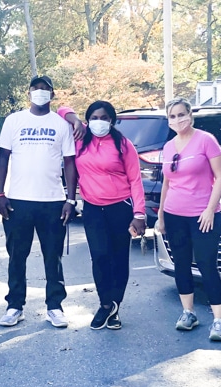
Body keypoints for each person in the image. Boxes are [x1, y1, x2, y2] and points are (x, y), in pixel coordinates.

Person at [0, 75, 80, 328]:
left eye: (46, 89)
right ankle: (14, 305)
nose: (40, 93)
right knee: (17, 255)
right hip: (18, 201)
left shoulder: (61, 124)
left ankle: (55, 306)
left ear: (52, 95)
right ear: (29, 93)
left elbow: (70, 163)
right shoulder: (14, 121)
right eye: (36, 89)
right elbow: (3, 158)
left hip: (53, 201)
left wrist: (71, 199)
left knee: (52, 256)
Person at [157, 97, 221, 341]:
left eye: (181, 114)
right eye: (172, 116)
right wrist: (161, 215)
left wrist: (209, 210)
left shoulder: (206, 140)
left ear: (190, 115)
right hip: (175, 215)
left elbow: (220, 177)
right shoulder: (168, 147)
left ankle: (218, 320)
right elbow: (167, 182)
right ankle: (188, 313)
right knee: (182, 264)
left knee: (207, 265)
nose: (177, 119)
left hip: (203, 216)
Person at [72, 100, 146, 330]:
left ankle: (114, 308)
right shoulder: (80, 141)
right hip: (93, 208)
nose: (99, 122)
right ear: (87, 120)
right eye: (94, 117)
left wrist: (140, 214)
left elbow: (135, 179)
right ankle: (105, 304)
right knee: (100, 256)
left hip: (120, 207)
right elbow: (62, 110)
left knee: (118, 258)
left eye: (104, 118)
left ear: (112, 120)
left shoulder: (123, 144)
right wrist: (74, 119)